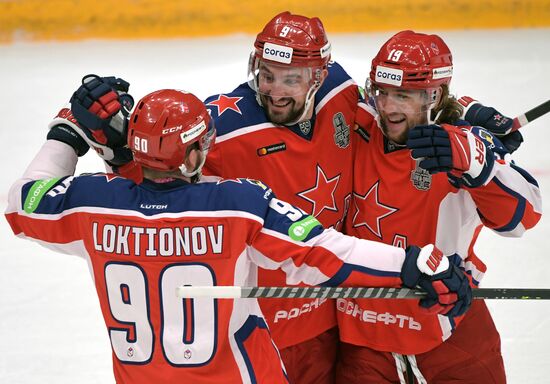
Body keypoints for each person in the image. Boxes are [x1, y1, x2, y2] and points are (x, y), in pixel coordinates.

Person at [5, 84, 472, 384]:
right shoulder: (238, 204)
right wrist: (415, 264)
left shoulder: (94, 204)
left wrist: (67, 131)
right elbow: (329, 254)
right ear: (191, 157)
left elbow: (23, 199)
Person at [335, 30, 542, 383]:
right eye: (383, 93)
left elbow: (523, 217)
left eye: (403, 96)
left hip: (448, 318)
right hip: (363, 325)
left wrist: (480, 165)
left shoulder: (463, 143)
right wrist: (470, 105)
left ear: (434, 95)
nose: (388, 107)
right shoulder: (360, 121)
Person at [201, 11, 359, 383]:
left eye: (291, 79)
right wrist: (118, 148)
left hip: (328, 320)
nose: (273, 90)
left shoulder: (342, 91)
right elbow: (158, 174)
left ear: (318, 77)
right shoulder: (222, 126)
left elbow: (401, 112)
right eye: (267, 75)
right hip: (258, 329)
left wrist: (466, 118)